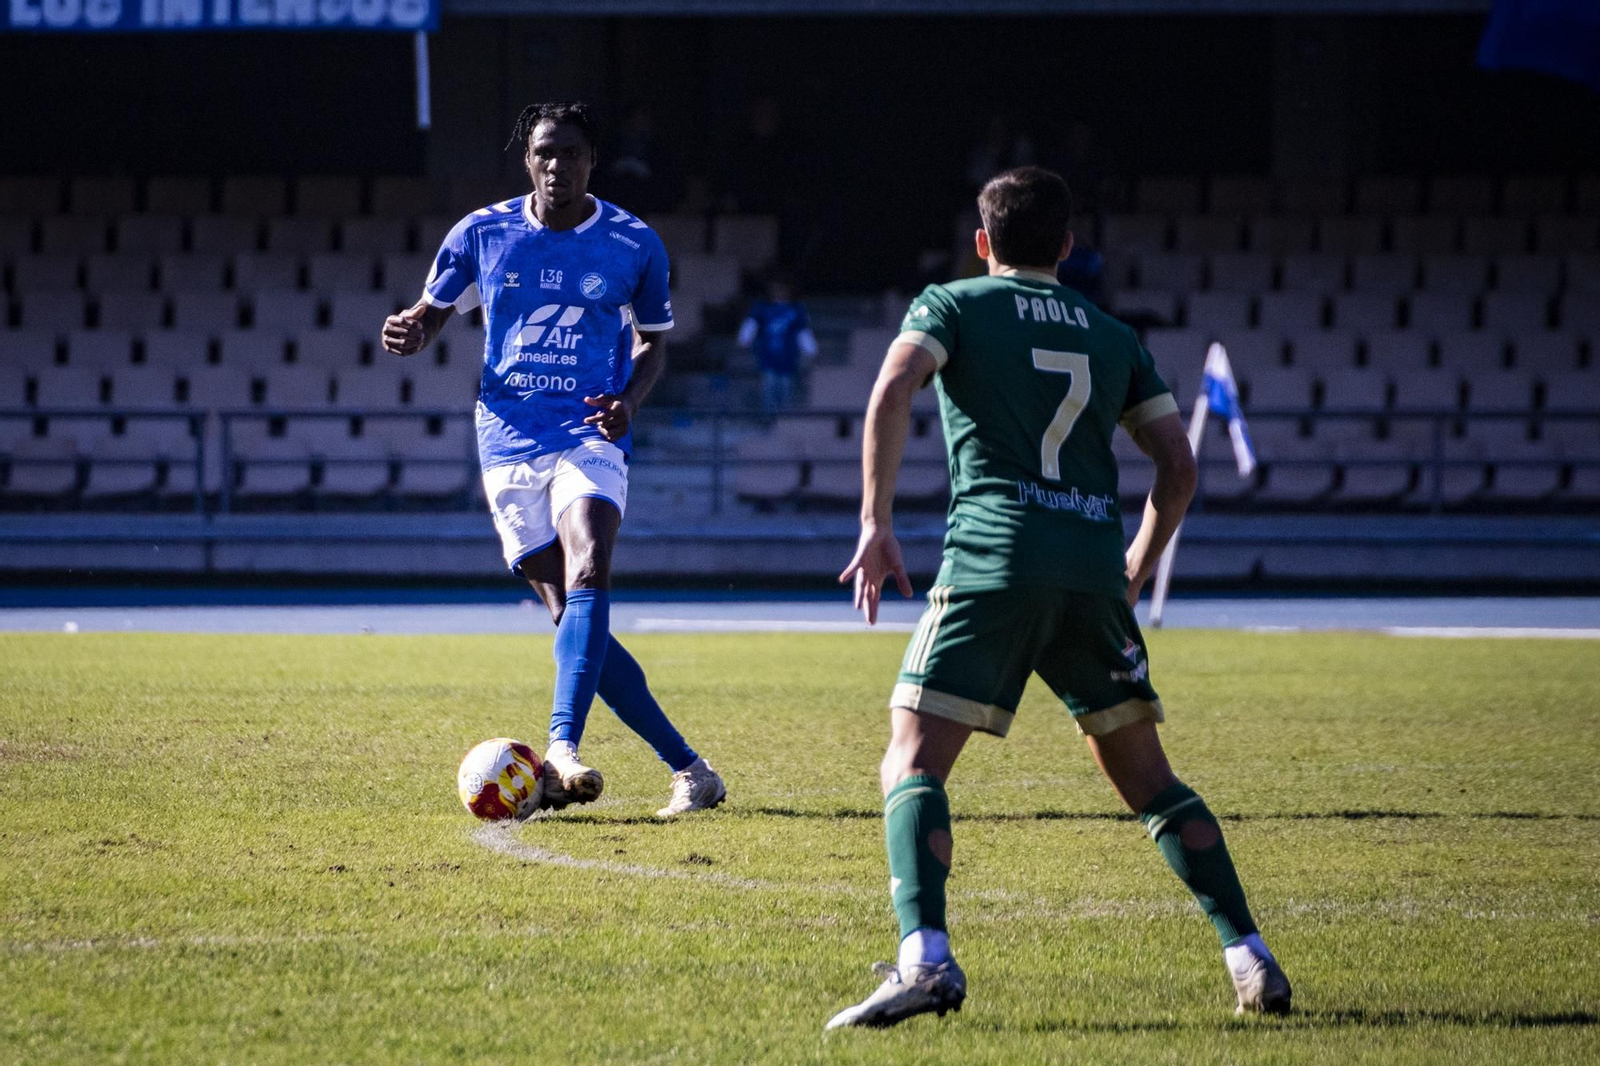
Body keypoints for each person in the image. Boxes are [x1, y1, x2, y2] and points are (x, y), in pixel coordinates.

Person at [828, 166, 1289, 1029]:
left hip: (994, 561)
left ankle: (925, 960)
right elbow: (1179, 467)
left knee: (912, 762)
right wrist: (1135, 567)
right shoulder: (1113, 335)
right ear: (1068, 247)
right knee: (1151, 781)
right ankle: (1250, 955)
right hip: (1089, 570)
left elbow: (892, 388)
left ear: (981, 241)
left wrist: (874, 523)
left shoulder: (952, 304)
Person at [380, 101, 726, 819]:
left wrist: (629, 400)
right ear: (527, 159)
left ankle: (560, 749)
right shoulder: (481, 233)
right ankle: (692, 771)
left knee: (590, 563)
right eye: (545, 152)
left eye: (571, 153)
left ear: (592, 161)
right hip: (507, 438)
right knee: (572, 618)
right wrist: (414, 328)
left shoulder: (633, 243)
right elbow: (433, 311)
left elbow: (654, 343)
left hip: (591, 429)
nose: (557, 165)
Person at [737, 272, 818, 412]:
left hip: (788, 357)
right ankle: (768, 416)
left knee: (785, 388)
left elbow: (802, 330)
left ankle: (785, 417)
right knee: (769, 387)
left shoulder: (796, 310)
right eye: (776, 289)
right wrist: (744, 338)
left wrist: (810, 349)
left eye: (782, 289)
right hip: (768, 356)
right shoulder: (762, 308)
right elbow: (751, 324)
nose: (779, 292)